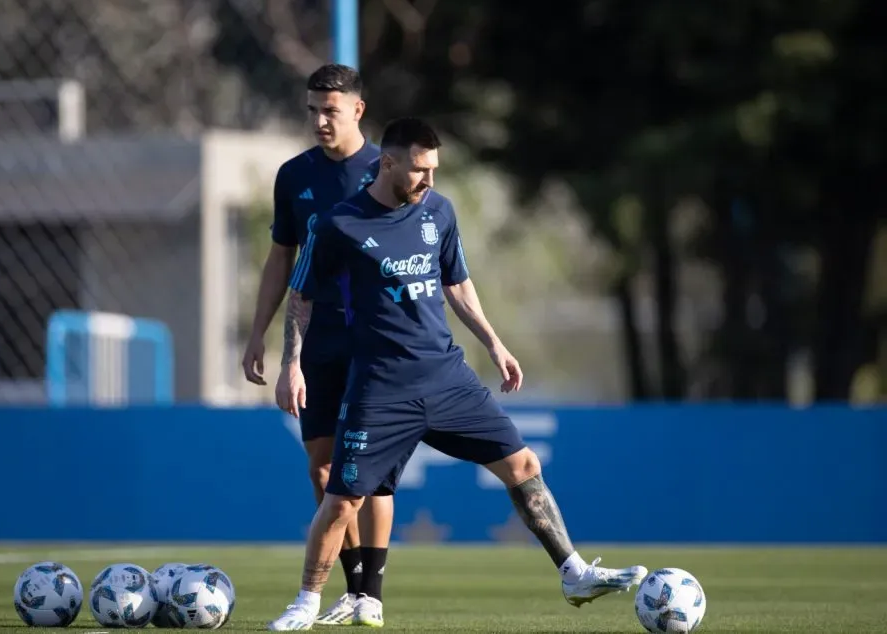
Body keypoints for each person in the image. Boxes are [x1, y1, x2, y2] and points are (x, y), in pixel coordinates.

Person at [267, 118, 647, 631]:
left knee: (523, 465)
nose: (429, 180)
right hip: (380, 387)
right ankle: (307, 603)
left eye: (435, 170)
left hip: (448, 379)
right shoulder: (338, 224)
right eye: (420, 170)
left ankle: (573, 572)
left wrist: (493, 342)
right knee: (343, 500)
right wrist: (292, 364)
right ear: (389, 163)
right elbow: (302, 296)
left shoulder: (438, 213)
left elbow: (457, 282)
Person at [242, 63, 395, 627]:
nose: (319, 120)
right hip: (317, 335)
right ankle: (353, 590)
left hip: (376, 337)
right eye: (312, 109)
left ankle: (369, 592)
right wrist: (261, 333)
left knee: (369, 471)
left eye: (330, 109)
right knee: (324, 472)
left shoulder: (389, 167)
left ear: (357, 109)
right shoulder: (294, 176)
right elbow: (282, 257)